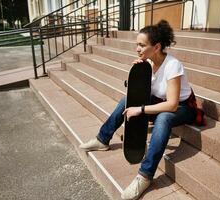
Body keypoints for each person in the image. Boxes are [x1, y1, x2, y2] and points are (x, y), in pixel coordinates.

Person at [79, 20, 197, 200]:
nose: (137, 49)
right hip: (160, 101)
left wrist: (141, 109)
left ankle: (145, 176)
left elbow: (172, 105)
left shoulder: (173, 65)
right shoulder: (147, 64)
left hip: (183, 108)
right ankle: (102, 139)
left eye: (142, 45)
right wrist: (139, 74)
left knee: (164, 118)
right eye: (137, 45)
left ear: (156, 47)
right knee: (128, 99)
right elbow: (143, 92)